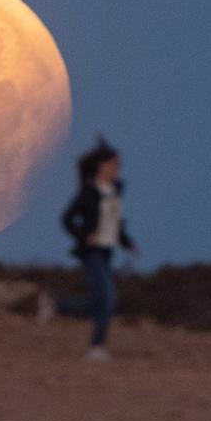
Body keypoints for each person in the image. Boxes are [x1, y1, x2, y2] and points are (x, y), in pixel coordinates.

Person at [37, 136, 138, 361]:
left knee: (97, 303)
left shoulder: (116, 190)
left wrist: (127, 242)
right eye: (114, 163)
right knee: (108, 300)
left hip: (106, 251)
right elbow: (67, 219)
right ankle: (96, 347)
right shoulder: (88, 192)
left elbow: (114, 222)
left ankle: (56, 306)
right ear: (102, 165)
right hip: (91, 253)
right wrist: (85, 237)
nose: (117, 168)